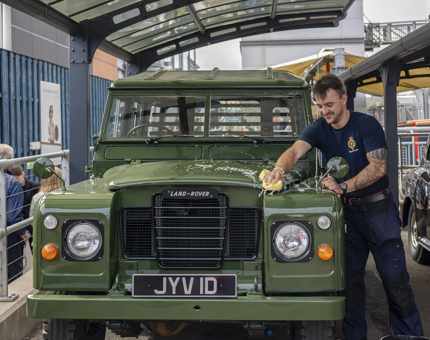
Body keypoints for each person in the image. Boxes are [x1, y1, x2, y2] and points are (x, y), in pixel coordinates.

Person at [263, 74, 423, 339]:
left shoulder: (366, 125)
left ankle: (411, 336)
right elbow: (295, 150)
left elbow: (379, 168)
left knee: (395, 282)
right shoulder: (319, 127)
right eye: (320, 105)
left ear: (344, 99)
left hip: (378, 211)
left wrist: (344, 187)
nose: (325, 111)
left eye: (329, 104)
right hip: (347, 215)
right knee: (349, 284)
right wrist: (280, 168)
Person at [0, 144, 29, 283]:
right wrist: (23, 233)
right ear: (9, 161)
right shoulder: (12, 183)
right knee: (11, 277)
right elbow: (13, 217)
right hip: (8, 238)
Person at [10, 165, 40, 251]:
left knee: (34, 249)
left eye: (18, 178)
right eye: (13, 179)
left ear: (23, 174)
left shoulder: (35, 186)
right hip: (18, 222)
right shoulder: (12, 187)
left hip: (31, 222)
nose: (16, 181)